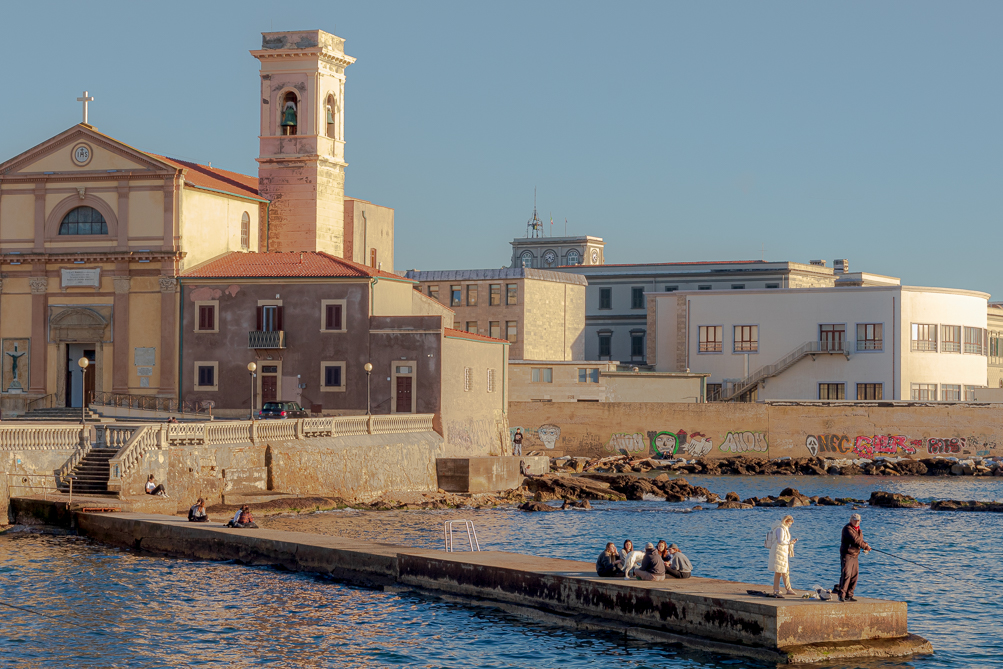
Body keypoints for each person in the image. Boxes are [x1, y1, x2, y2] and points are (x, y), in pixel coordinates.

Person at [836, 513, 871, 602]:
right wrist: (865, 546)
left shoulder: (859, 530)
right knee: (846, 574)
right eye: (855, 520)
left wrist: (866, 545)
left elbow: (860, 540)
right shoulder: (847, 529)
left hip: (855, 555)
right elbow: (855, 540)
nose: (856, 522)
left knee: (854, 575)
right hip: (847, 554)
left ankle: (849, 595)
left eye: (858, 520)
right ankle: (841, 595)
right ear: (851, 520)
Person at [768, 515, 797, 596]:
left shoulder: (784, 528)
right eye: (790, 523)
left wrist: (790, 542)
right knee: (780, 571)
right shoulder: (780, 529)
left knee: (783, 571)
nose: (791, 525)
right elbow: (780, 541)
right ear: (786, 521)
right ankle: (779, 589)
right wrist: (789, 542)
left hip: (783, 552)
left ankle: (784, 589)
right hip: (779, 552)